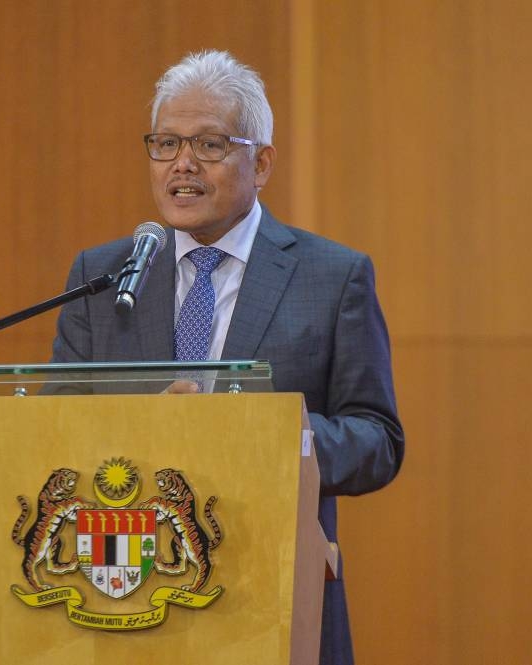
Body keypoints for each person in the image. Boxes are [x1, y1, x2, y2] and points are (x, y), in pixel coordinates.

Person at [50, 49, 405, 665]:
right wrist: (139, 426)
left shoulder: (332, 276)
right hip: (123, 593)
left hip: (271, 594)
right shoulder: (103, 276)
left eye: (209, 145)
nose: (181, 165)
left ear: (261, 162)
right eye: (165, 144)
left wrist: (266, 434)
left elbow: (377, 441)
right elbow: (52, 426)